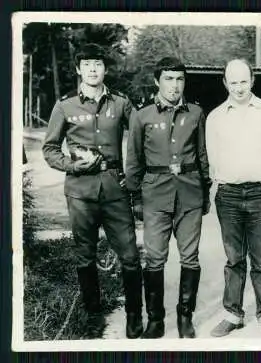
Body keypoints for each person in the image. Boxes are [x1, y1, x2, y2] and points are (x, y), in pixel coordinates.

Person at [42, 43, 143, 339]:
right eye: (87, 65)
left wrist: (132, 178)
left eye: (98, 64)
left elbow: (139, 141)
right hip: (80, 192)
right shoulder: (65, 105)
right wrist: (72, 166)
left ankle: (134, 316)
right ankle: (93, 313)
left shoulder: (122, 104)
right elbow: (49, 149)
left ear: (105, 69)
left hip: (115, 188)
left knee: (130, 255)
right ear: (78, 69)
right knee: (85, 256)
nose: (93, 69)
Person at [205, 58, 261, 337]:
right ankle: (232, 315)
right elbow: (212, 156)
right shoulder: (216, 117)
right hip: (228, 195)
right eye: (233, 82)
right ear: (225, 83)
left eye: (244, 81)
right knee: (234, 259)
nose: (239, 87)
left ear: (252, 81)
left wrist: (259, 171)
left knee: (260, 257)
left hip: (260, 194)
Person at [126, 57, 211, 339]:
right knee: (154, 259)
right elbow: (134, 160)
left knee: (190, 257)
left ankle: (185, 318)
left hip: (189, 193)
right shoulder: (142, 115)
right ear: (157, 81)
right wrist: (135, 198)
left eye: (179, 79)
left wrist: (205, 191)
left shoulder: (196, 113)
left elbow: (202, 157)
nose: (175, 86)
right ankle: (155, 320)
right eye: (169, 79)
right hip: (154, 196)